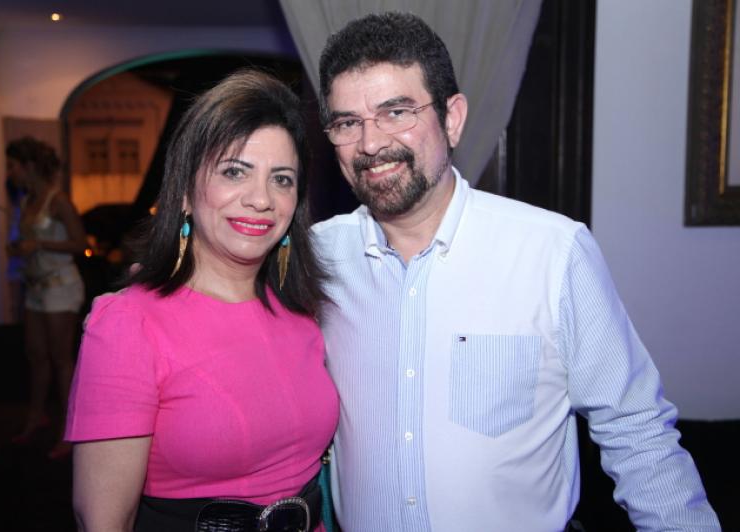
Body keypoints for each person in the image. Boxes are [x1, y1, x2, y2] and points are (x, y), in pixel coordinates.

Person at [311, 12, 720, 531]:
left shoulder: (552, 252)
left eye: (396, 112)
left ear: (452, 118)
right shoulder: (317, 259)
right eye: (348, 123)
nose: (370, 144)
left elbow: (637, 431)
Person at [65, 70, 339, 532]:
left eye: (282, 179)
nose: (261, 199)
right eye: (235, 171)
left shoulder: (302, 313)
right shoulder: (128, 322)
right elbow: (104, 521)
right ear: (186, 192)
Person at [6, 137, 87, 459]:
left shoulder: (59, 201)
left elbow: (81, 244)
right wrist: (19, 248)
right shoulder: (28, 200)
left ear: (28, 166)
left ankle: (69, 430)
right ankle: (36, 417)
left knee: (61, 359)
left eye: (12, 166)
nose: (10, 173)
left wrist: (39, 244)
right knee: (36, 354)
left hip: (60, 287)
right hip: (36, 288)